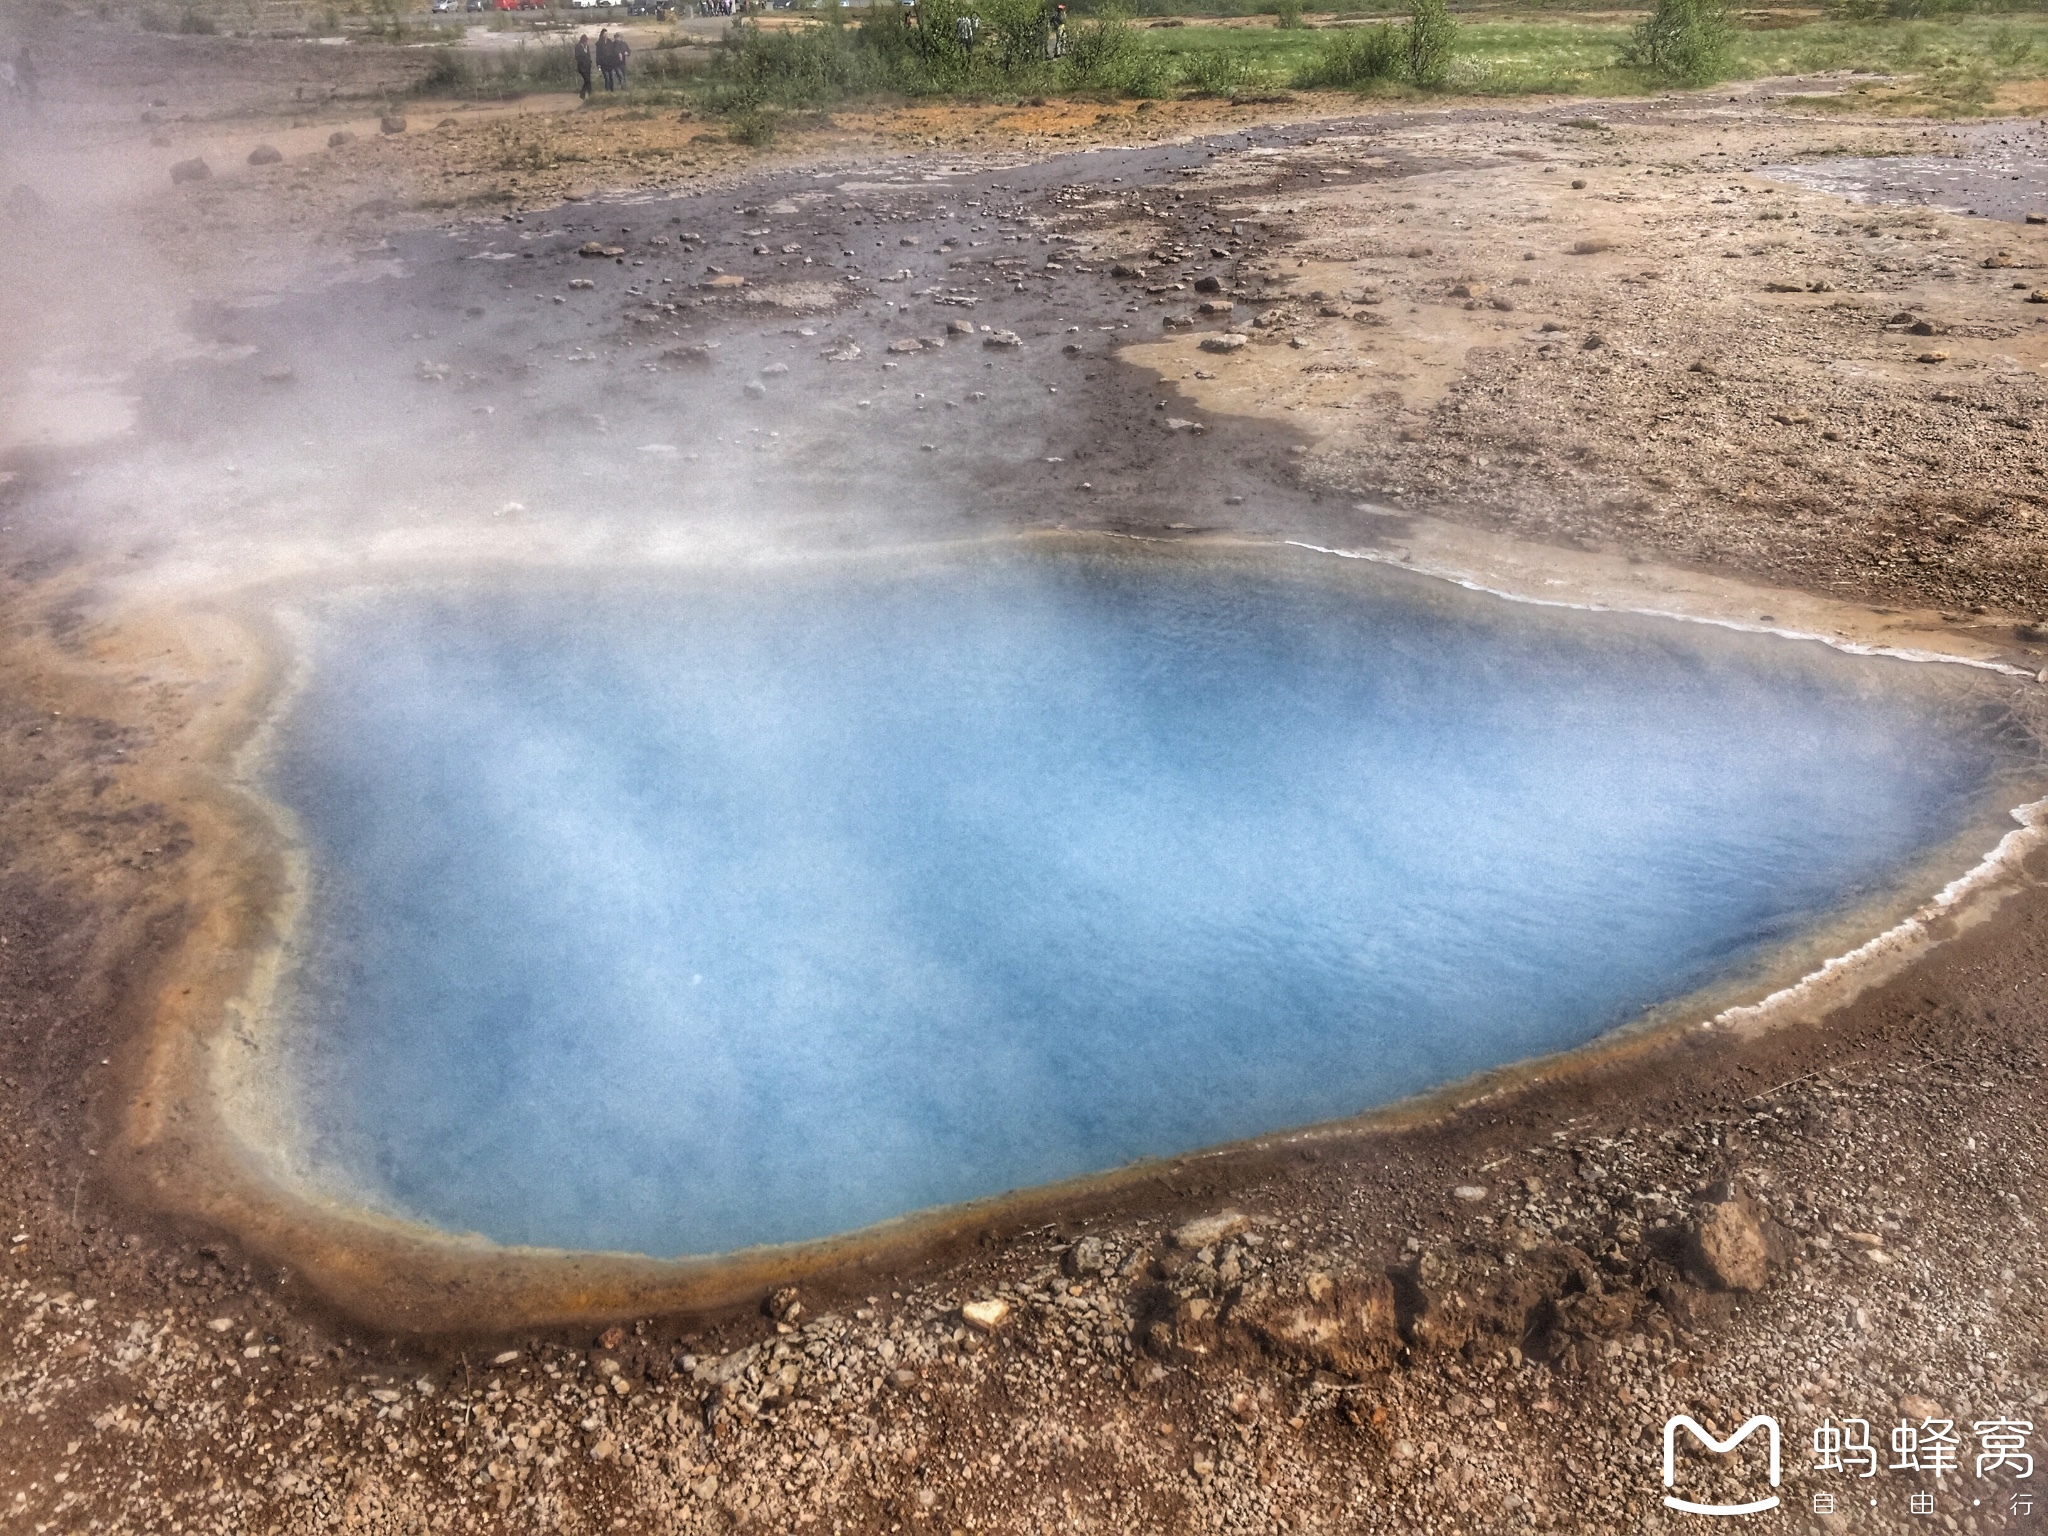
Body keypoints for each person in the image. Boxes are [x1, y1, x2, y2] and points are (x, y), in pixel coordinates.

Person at [573, 32, 594, 99]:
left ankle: (589, 94)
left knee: (588, 80)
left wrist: (590, 62)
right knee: (587, 80)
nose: (587, 42)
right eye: (586, 41)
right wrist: (583, 62)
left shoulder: (587, 47)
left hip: (587, 66)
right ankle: (583, 93)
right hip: (582, 67)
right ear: (583, 41)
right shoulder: (578, 46)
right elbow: (577, 57)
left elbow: (588, 55)